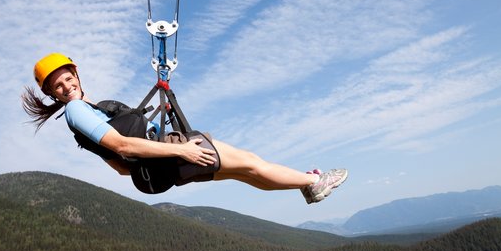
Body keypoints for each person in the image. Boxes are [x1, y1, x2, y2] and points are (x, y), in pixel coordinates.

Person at [22, 53, 348, 204]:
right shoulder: (77, 112)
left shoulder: (86, 117)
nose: (65, 87)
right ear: (51, 93)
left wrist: (161, 152)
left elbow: (122, 168)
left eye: (67, 78)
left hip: (168, 166)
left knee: (245, 171)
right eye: (57, 86)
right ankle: (313, 181)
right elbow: (122, 147)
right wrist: (180, 148)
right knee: (250, 163)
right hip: (176, 155)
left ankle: (306, 186)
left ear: (76, 75)